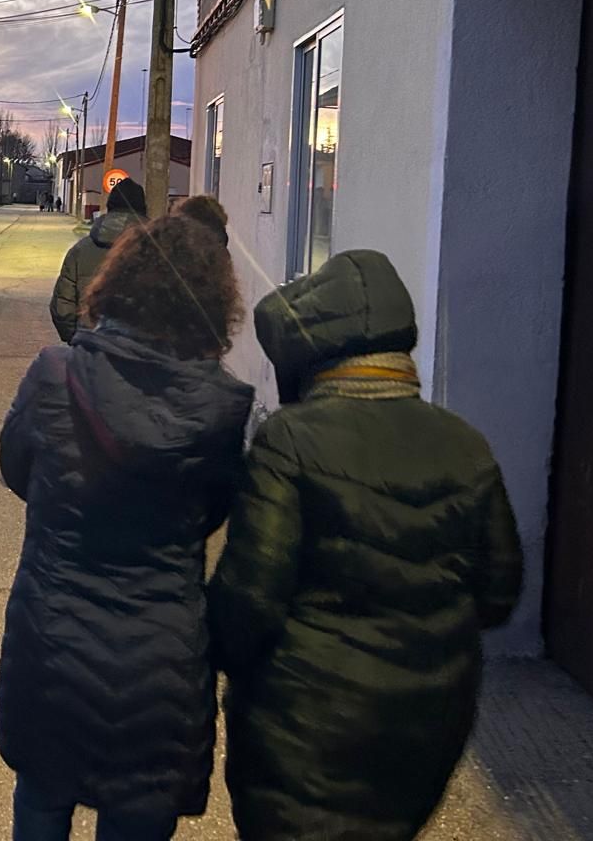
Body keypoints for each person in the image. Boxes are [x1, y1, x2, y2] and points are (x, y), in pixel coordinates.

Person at [209, 250, 523, 841]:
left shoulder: (291, 441)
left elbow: (248, 601)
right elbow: (499, 594)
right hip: (426, 727)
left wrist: (218, 662)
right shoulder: (466, 444)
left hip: (303, 728)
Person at [0, 215, 254, 841]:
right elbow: (213, 513)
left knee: (42, 792)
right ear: (212, 306)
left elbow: (15, 467)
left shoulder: (55, 374)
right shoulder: (223, 409)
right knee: (140, 807)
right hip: (162, 659)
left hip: (53, 635)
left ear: (117, 285)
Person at [48, 176, 147, 343]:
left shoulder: (80, 251)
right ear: (143, 209)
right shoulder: (161, 251)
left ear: (109, 207)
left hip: (90, 347)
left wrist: (77, 339)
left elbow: (63, 306)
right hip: (143, 354)